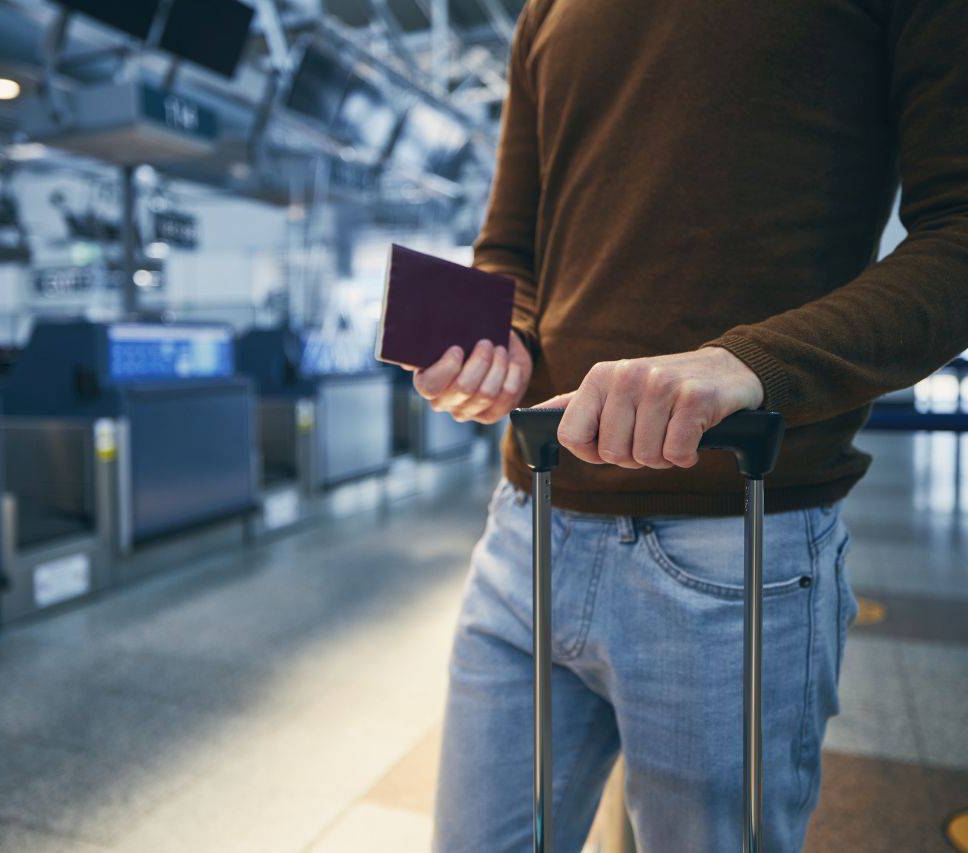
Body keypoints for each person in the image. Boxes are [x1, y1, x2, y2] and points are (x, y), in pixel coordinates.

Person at [413, 1, 968, 850]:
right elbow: (512, 248)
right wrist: (503, 340)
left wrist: (750, 362)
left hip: (737, 541)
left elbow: (957, 235)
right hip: (529, 527)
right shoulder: (545, 9)